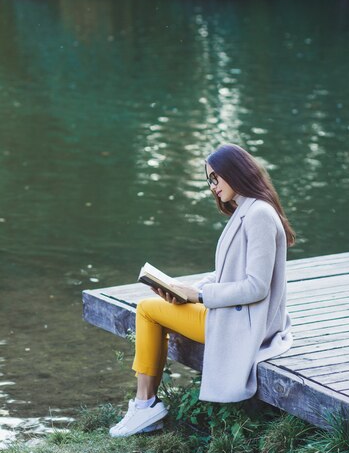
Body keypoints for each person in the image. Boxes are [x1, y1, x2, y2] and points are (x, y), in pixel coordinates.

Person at [109, 143, 295, 437]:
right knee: (158, 309)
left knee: (146, 310)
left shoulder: (258, 214)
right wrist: (187, 290)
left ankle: (145, 406)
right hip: (233, 314)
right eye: (209, 180)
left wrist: (200, 296)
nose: (213, 187)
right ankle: (145, 406)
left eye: (215, 178)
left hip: (242, 324)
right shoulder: (247, 210)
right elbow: (225, 274)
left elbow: (256, 287)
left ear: (235, 173)